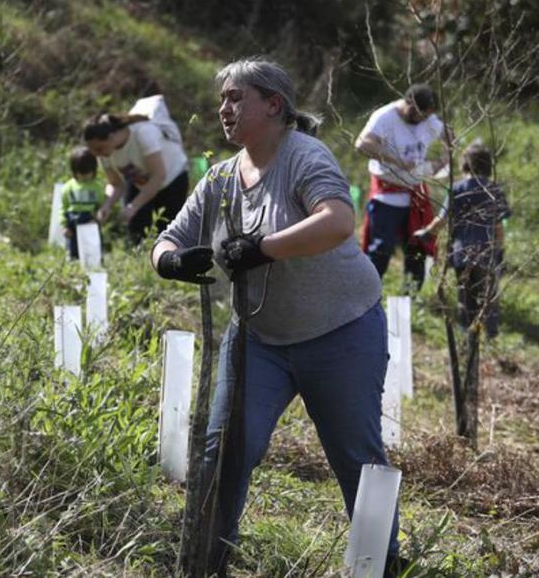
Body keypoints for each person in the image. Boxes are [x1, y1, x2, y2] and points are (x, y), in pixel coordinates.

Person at [152, 59, 402, 571]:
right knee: (224, 451)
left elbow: (336, 221)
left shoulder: (305, 157)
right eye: (222, 98)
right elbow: (167, 239)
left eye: (236, 96)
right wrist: (172, 262)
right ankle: (204, 560)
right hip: (260, 338)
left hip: (341, 331)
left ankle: (383, 565)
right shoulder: (221, 180)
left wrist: (263, 247)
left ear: (274, 104)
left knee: (356, 456)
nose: (225, 108)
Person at [355, 83, 449, 290]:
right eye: (418, 115)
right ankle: (368, 293)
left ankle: (411, 297)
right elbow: (363, 143)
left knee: (417, 248)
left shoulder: (429, 118)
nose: (422, 120)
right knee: (381, 249)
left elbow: (450, 139)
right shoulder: (385, 117)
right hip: (387, 193)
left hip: (416, 193)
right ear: (409, 105)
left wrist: (441, 161)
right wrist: (396, 160)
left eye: (426, 116)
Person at [414, 141, 508, 338]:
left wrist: (426, 232)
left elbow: (442, 219)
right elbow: (498, 226)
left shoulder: (457, 188)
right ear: (488, 165)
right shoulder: (494, 190)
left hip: (462, 251)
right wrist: (500, 250)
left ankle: (467, 335)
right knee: (488, 295)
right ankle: (491, 335)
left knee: (465, 296)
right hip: (487, 251)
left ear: (464, 164)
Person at [83, 107, 189, 244]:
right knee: (136, 234)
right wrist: (106, 206)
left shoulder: (142, 133)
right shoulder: (105, 153)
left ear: (110, 137)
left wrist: (133, 206)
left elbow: (158, 176)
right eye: (93, 151)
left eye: (99, 148)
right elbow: (116, 184)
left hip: (172, 181)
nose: (97, 154)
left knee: (168, 235)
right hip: (140, 183)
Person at [61, 146, 106, 260]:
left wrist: (97, 219)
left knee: (93, 245)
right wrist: (64, 225)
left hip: (90, 220)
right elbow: (64, 208)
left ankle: (96, 261)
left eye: (88, 173)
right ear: (74, 171)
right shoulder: (68, 188)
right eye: (81, 173)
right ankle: (73, 260)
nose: (85, 176)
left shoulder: (97, 187)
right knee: (73, 246)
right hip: (73, 221)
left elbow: (101, 206)